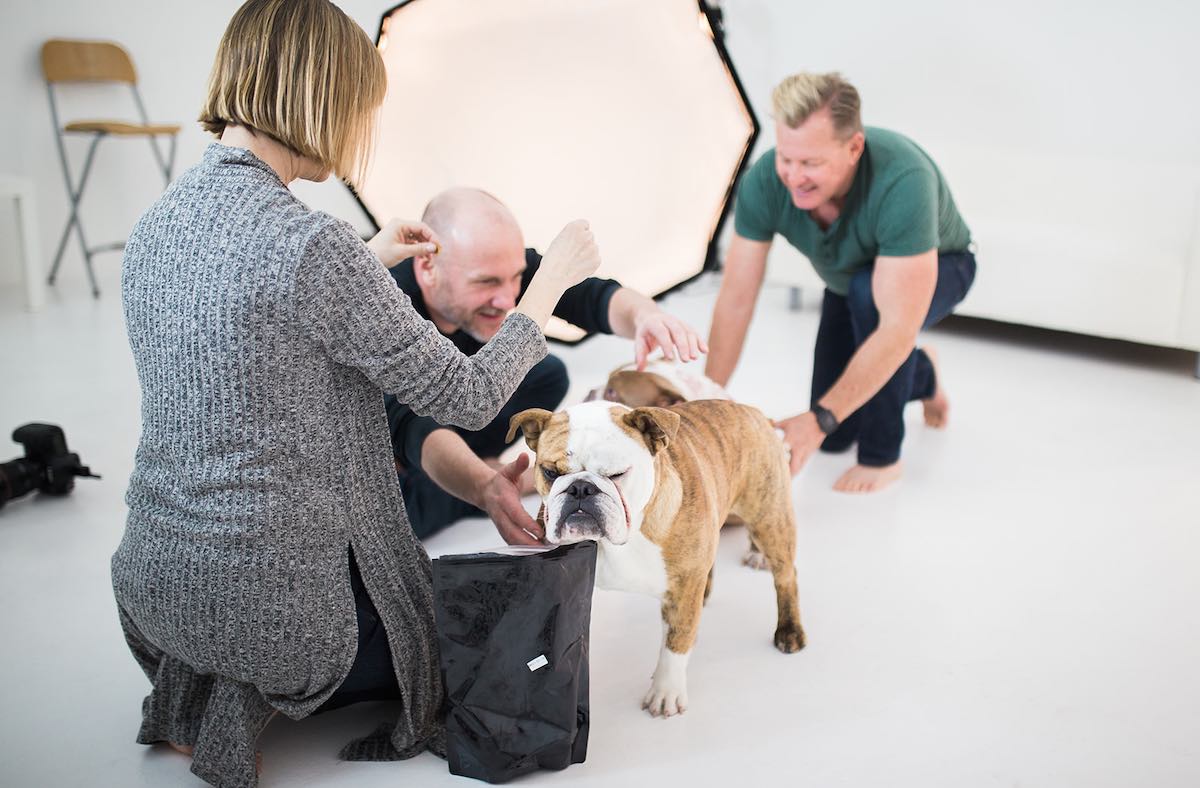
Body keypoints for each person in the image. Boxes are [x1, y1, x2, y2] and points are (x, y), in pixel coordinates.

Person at [109, 1, 601, 785]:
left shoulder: (158, 223)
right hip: (273, 619)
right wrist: (546, 290)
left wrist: (362, 263)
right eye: (360, 111)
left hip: (152, 593)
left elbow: (249, 326)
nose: (358, 133)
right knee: (470, 624)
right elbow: (470, 396)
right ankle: (251, 692)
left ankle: (204, 680)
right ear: (323, 97)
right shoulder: (311, 244)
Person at [384, 187, 707, 543]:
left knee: (546, 374)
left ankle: (468, 472)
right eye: (486, 283)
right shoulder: (387, 304)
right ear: (427, 266)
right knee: (394, 517)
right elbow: (415, 427)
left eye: (516, 279)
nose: (507, 299)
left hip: (441, 423)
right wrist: (485, 486)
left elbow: (593, 297)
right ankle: (465, 486)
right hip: (383, 446)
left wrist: (647, 316)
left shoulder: (497, 262)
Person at [705, 71, 977, 493]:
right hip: (849, 283)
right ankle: (923, 375)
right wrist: (708, 400)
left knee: (869, 306)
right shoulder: (765, 181)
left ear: (854, 147)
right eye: (787, 159)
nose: (794, 177)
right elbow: (737, 298)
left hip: (941, 269)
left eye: (811, 163)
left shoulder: (904, 179)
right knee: (833, 438)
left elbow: (896, 329)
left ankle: (883, 455)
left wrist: (817, 421)